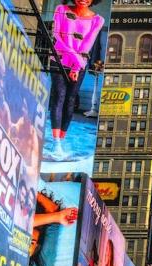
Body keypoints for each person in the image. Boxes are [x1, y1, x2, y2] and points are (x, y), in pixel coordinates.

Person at [47, 0, 106, 161]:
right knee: (59, 96)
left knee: (70, 100)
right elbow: (57, 37)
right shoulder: (61, 10)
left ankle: (62, 138)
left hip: (78, 65)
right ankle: (56, 142)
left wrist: (76, 67)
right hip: (59, 60)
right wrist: (75, 60)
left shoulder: (97, 20)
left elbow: (87, 44)